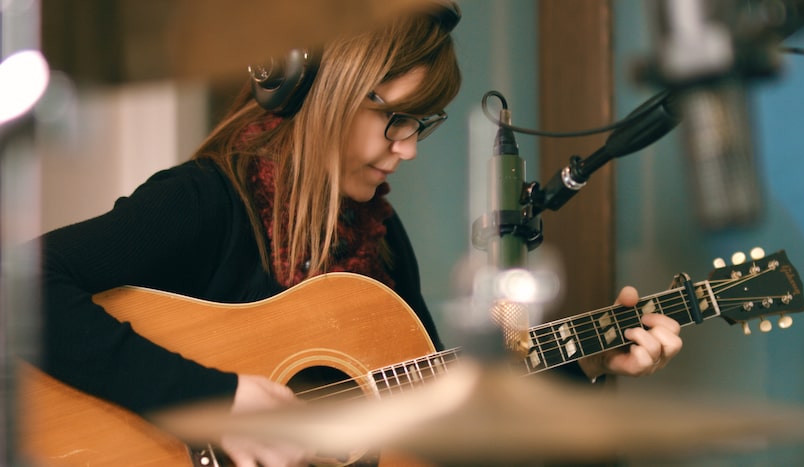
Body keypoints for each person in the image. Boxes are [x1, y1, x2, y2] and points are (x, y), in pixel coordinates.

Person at [30, 2, 682, 466]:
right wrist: (216, 398)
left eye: (422, 125)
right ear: (330, 90)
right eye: (397, 119)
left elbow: (442, 416)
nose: (409, 149)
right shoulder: (208, 202)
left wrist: (588, 363)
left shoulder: (382, 238)